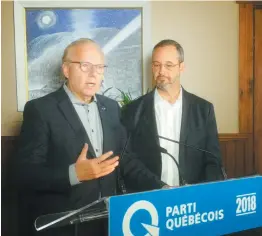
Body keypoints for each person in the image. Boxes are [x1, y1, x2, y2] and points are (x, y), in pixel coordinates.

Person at [15, 38, 165, 236]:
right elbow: (26, 175)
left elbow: (125, 160)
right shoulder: (40, 110)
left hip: (109, 223)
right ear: (66, 70)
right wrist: (74, 174)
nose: (94, 74)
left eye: (100, 67)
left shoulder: (111, 108)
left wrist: (162, 187)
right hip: (65, 226)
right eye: (85, 66)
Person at [121, 39, 226, 188]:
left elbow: (213, 161)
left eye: (168, 65)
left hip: (192, 199)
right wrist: (160, 187)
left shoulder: (203, 109)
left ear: (181, 67)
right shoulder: (133, 110)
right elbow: (129, 162)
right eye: (156, 65)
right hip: (149, 200)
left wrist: (200, 191)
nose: (161, 71)